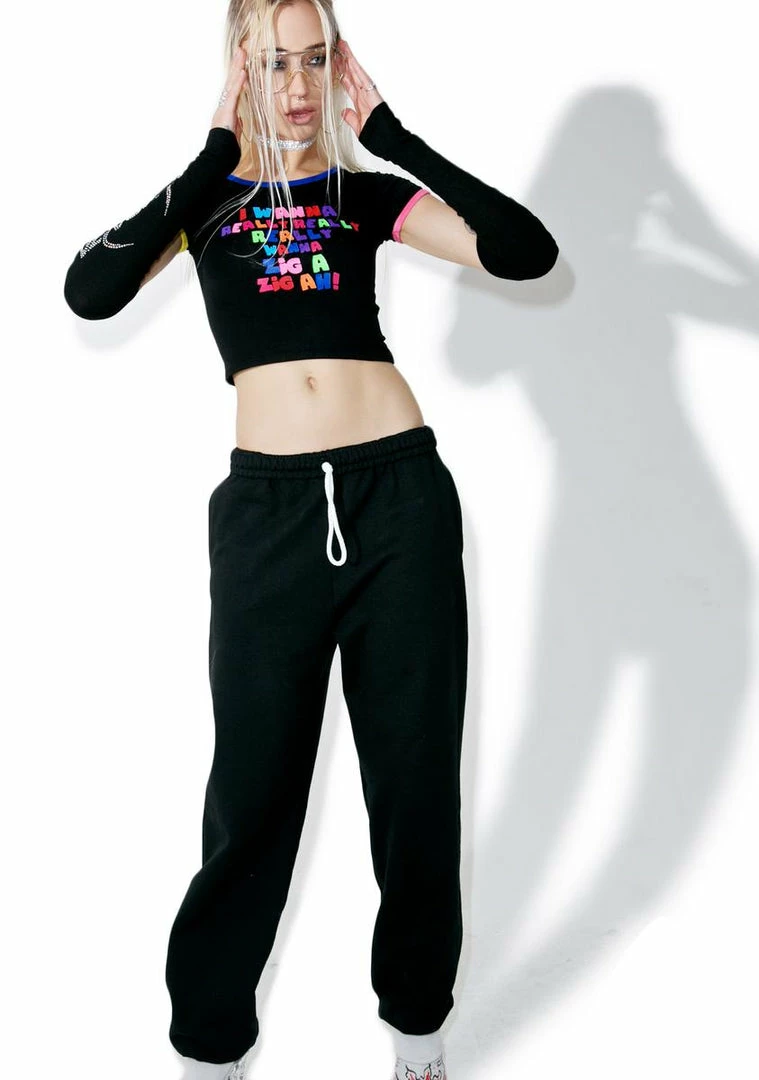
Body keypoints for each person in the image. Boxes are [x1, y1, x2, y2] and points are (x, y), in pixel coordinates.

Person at [63, 1, 559, 1077]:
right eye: (274, 61)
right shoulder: (206, 206)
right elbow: (90, 292)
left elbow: (524, 253)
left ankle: (418, 1037)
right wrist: (211, 156)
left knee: (414, 787)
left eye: (315, 59)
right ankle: (210, 1050)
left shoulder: (362, 196)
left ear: (338, 67)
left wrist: (393, 136)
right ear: (239, 68)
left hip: (400, 502)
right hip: (268, 519)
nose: (297, 85)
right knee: (251, 799)